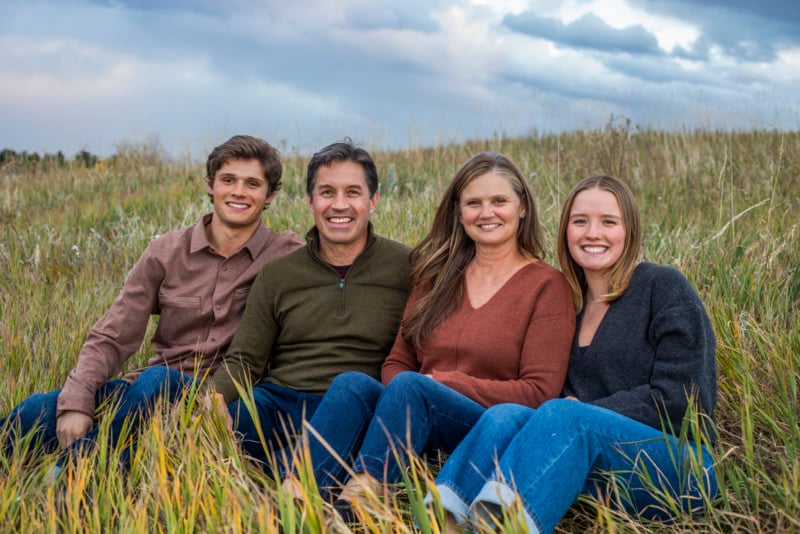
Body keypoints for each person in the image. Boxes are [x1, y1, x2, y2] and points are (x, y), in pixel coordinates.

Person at [283, 151, 576, 519]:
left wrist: (443, 384)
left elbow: (539, 392)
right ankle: (292, 498)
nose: (486, 213)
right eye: (474, 203)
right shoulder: (436, 276)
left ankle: (359, 507)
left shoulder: (547, 286)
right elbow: (398, 362)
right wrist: (400, 404)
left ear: (522, 209)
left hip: (484, 425)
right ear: (458, 211)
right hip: (413, 408)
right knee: (352, 385)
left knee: (411, 388)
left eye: (499, 201)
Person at [428, 174, 718, 533]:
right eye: (580, 221)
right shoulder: (567, 304)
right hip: (592, 462)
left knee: (565, 414)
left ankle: (501, 527)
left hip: (679, 466)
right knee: (504, 416)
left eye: (608, 222)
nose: (592, 233)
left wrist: (586, 412)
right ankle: (443, 521)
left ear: (629, 231)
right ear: (566, 230)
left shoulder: (662, 286)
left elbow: (685, 398)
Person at [1, 135, 304, 467]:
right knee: (36, 412)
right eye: (228, 180)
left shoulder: (287, 256)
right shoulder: (166, 252)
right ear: (209, 185)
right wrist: (77, 401)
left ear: (270, 194)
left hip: (223, 400)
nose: (239, 192)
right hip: (148, 390)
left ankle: (75, 470)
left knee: (155, 396)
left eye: (252, 184)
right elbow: (114, 334)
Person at [205, 139, 411, 465]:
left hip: (358, 406)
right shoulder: (278, 274)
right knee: (235, 418)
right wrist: (214, 401)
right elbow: (245, 359)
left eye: (353, 193)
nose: (339, 205)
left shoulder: (407, 266)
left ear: (373, 201)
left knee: (351, 392)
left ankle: (290, 476)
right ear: (310, 201)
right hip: (282, 402)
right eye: (327, 193)